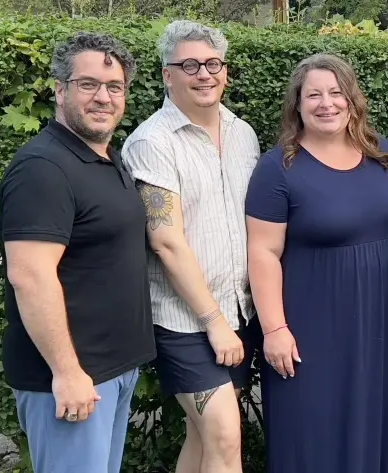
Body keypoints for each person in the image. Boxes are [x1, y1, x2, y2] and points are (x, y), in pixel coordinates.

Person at [244, 53, 388, 473]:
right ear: (297, 105)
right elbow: (262, 252)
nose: (326, 103)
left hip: (378, 326)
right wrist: (274, 330)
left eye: (336, 93)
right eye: (313, 95)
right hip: (308, 329)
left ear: (352, 100)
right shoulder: (278, 168)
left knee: (372, 424)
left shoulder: (383, 155)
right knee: (311, 431)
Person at [0, 32, 153, 473]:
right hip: (71, 381)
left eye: (114, 86)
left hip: (112, 372)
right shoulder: (42, 169)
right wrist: (67, 373)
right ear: (60, 89)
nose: (103, 97)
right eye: (88, 84)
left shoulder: (105, 158)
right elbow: (30, 276)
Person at [121, 20, 261, 473]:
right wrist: (213, 323)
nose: (204, 74)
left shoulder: (243, 134)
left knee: (204, 438)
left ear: (225, 71)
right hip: (185, 320)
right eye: (190, 65)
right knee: (224, 435)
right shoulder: (152, 142)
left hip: (239, 311)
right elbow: (165, 241)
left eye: (213, 64)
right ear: (167, 75)